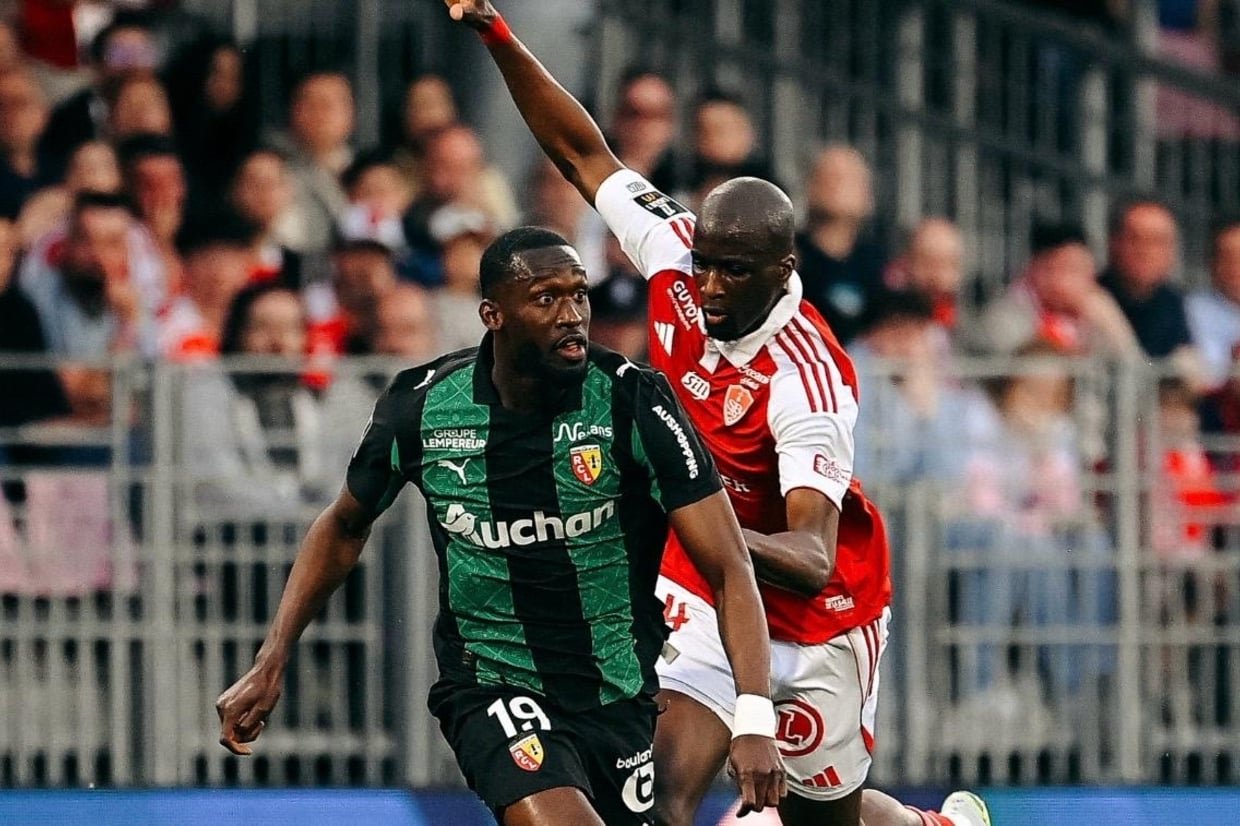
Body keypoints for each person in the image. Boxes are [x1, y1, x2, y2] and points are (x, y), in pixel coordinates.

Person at [444, 3, 988, 826]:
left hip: (818, 616)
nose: (708, 288)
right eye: (704, 266)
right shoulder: (676, 252)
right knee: (660, 795)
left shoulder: (808, 378)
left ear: (783, 268)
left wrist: (679, 509)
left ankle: (933, 825)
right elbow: (582, 152)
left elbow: (810, 555)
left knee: (821, 821)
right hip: (703, 588)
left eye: (733, 272)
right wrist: (497, 34)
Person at [216, 225, 786, 825]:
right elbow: (343, 525)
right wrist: (272, 657)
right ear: (493, 315)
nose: (572, 315)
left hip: (616, 694)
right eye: (546, 298)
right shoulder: (424, 406)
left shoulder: (633, 401)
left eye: (579, 294)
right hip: (491, 685)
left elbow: (729, 566)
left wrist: (754, 715)